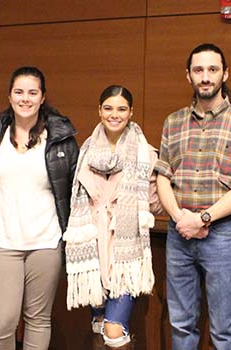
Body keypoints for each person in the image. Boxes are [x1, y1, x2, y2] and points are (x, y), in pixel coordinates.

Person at [155, 43, 231, 350]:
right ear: (188, 75)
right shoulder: (172, 122)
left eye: (212, 69)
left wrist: (203, 218)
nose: (205, 77)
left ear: (225, 74)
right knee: (181, 323)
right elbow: (163, 175)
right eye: (198, 70)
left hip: (222, 235)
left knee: (224, 328)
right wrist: (180, 219)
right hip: (179, 233)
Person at [0, 66, 79, 350]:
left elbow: (73, 188)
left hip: (46, 240)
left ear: (43, 97)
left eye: (33, 92)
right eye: (19, 92)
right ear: (9, 96)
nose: (25, 98)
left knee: (38, 319)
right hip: (4, 240)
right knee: (2, 321)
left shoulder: (60, 137)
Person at [63, 85, 163, 350]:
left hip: (124, 252)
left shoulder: (146, 153)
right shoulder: (85, 153)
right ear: (99, 111)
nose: (114, 114)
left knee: (113, 329)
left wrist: (163, 177)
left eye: (121, 109)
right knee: (98, 326)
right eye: (108, 108)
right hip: (92, 247)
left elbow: (156, 204)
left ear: (131, 112)